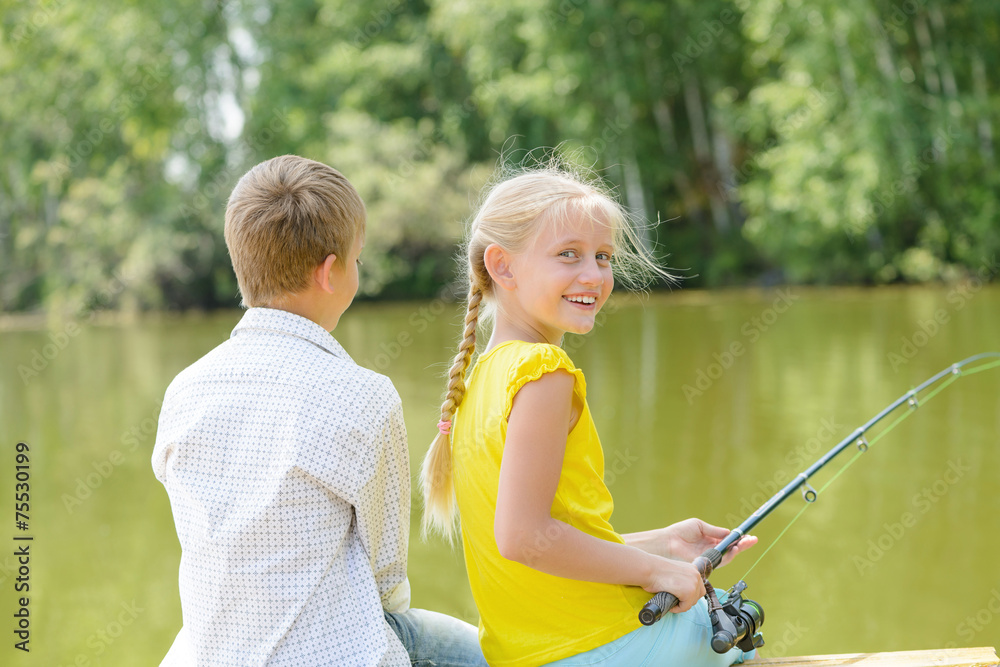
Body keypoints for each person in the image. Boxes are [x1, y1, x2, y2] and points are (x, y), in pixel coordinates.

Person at [152, 155, 486, 667]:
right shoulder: (364, 396)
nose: (358, 270)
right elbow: (386, 577)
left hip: (215, 651)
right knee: (482, 650)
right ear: (331, 273)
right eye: (357, 259)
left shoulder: (183, 390)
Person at [419, 164, 759, 667]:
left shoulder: (479, 381)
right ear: (503, 267)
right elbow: (524, 538)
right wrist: (655, 575)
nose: (594, 275)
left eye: (603, 257)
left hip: (525, 653)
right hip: (596, 647)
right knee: (736, 629)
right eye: (568, 255)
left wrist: (661, 546)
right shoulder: (542, 370)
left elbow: (542, 538)